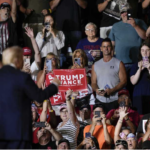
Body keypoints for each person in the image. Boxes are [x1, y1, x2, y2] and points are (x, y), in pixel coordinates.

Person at [0, 46, 60, 149]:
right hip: (19, 132)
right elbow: (39, 97)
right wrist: (54, 85)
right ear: (16, 60)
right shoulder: (22, 77)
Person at [91, 38, 127, 113]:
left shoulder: (119, 63)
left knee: (113, 121)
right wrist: (97, 90)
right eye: (104, 46)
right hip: (99, 101)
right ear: (101, 48)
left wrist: (112, 90)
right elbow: (93, 83)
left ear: (111, 48)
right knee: (98, 121)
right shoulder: (95, 65)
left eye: (108, 46)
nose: (106, 48)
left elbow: (124, 81)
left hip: (114, 100)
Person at [130, 40, 150, 114]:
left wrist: (149, 68)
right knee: (140, 119)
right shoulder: (135, 65)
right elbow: (133, 81)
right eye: (142, 50)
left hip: (148, 94)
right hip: (138, 96)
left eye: (147, 50)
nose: (145, 53)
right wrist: (139, 69)